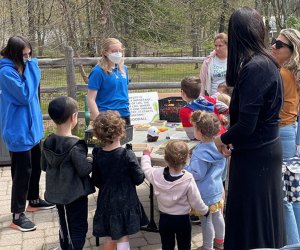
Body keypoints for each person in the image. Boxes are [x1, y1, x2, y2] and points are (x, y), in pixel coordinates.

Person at [214, 7, 285, 250]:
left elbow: (246, 125)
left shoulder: (257, 67)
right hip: (258, 150)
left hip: (258, 155)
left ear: (237, 35)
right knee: (254, 217)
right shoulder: (261, 63)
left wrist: (221, 138)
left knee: (254, 220)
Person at [0, 36, 55, 232]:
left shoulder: (23, 67)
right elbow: (24, 96)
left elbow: (33, 95)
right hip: (18, 131)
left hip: (33, 129)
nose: (28, 57)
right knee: (22, 173)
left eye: (29, 54)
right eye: (24, 55)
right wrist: (32, 68)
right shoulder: (6, 72)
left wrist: (29, 68)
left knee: (35, 167)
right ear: (14, 53)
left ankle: (33, 200)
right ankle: (17, 215)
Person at [41, 96, 95, 249]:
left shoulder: (47, 141)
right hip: (75, 195)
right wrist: (91, 160)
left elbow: (44, 166)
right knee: (78, 228)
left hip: (57, 194)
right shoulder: (75, 145)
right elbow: (84, 170)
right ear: (74, 117)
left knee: (63, 226)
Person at [92, 110, 148, 250]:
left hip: (106, 201)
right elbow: (139, 178)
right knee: (123, 235)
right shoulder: (127, 154)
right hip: (126, 200)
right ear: (121, 132)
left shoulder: (98, 155)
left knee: (109, 235)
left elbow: (96, 180)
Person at [141, 140, 209, 250]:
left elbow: (146, 168)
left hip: (165, 219)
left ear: (165, 159)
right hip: (183, 220)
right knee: (184, 245)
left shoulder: (156, 174)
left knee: (167, 245)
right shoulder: (188, 178)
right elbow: (196, 201)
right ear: (187, 159)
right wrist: (205, 211)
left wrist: (146, 155)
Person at [271, 28, 300, 245]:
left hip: (280, 132)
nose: (274, 46)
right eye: (274, 42)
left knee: (283, 194)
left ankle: (289, 243)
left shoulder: (282, 74)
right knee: (294, 192)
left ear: (292, 51)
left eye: (279, 45)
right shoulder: (294, 73)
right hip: (290, 130)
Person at [185, 111, 226, 250]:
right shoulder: (219, 146)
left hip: (204, 194)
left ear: (200, 131)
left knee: (206, 220)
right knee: (218, 216)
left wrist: (186, 166)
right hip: (217, 190)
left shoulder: (200, 152)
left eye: (194, 128)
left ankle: (208, 247)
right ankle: (220, 242)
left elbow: (197, 174)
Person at [87, 38, 131, 125]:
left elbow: (123, 91)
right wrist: (98, 119)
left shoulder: (124, 69)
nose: (118, 53)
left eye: (120, 51)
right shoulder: (98, 72)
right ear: (105, 52)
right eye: (114, 51)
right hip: (107, 116)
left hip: (124, 114)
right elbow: (90, 99)